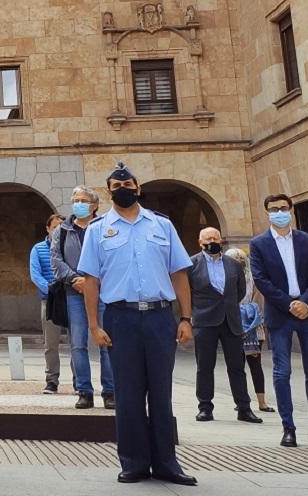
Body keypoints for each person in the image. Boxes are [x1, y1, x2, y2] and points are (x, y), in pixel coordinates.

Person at [79, 162, 196, 486]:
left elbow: (179, 273)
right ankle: (133, 462)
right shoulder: (98, 230)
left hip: (160, 316)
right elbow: (91, 279)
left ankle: (167, 463)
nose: (123, 190)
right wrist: (93, 325)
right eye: (116, 187)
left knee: (161, 391)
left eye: (128, 184)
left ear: (139, 188)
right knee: (128, 394)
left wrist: (186, 317)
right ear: (108, 193)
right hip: (121, 317)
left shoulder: (161, 225)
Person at [248, 193, 308, 449]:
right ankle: (288, 428)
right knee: (282, 372)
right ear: (266, 212)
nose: (279, 212)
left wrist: (305, 302)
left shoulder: (306, 240)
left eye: (283, 208)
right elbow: (261, 280)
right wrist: (289, 304)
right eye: (273, 209)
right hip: (280, 314)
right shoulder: (259, 244)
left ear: (290, 209)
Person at [50, 185, 114, 409]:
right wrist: (76, 280)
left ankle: (110, 391)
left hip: (104, 293)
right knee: (78, 343)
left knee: (107, 341)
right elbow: (56, 261)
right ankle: (84, 391)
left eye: (84, 200)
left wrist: (94, 282)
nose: (78, 203)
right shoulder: (63, 230)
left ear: (95, 205)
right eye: (75, 199)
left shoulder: (104, 227)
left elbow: (112, 258)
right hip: (74, 292)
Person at [189, 227, 261, 424]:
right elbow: (187, 293)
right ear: (200, 242)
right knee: (204, 366)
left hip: (231, 321)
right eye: (208, 238)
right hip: (205, 321)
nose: (212, 241)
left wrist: (228, 306)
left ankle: (244, 408)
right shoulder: (192, 264)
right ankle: (205, 407)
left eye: (215, 237)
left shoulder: (233, 264)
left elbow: (239, 291)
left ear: (221, 241)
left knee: (237, 366)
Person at [226, 247, 275, 413]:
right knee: (237, 366)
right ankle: (241, 400)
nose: (238, 263)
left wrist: (249, 314)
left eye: (241, 260)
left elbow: (258, 301)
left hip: (252, 324)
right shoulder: (226, 278)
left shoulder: (253, 278)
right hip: (233, 324)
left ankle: (262, 401)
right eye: (235, 260)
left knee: (255, 364)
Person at [29, 213, 64, 394]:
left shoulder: (69, 247)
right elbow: (35, 274)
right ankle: (52, 380)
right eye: (55, 227)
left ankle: (79, 380)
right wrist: (52, 290)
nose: (58, 231)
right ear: (48, 229)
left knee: (78, 343)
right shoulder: (38, 249)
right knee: (50, 343)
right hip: (50, 300)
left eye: (61, 227)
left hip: (71, 298)